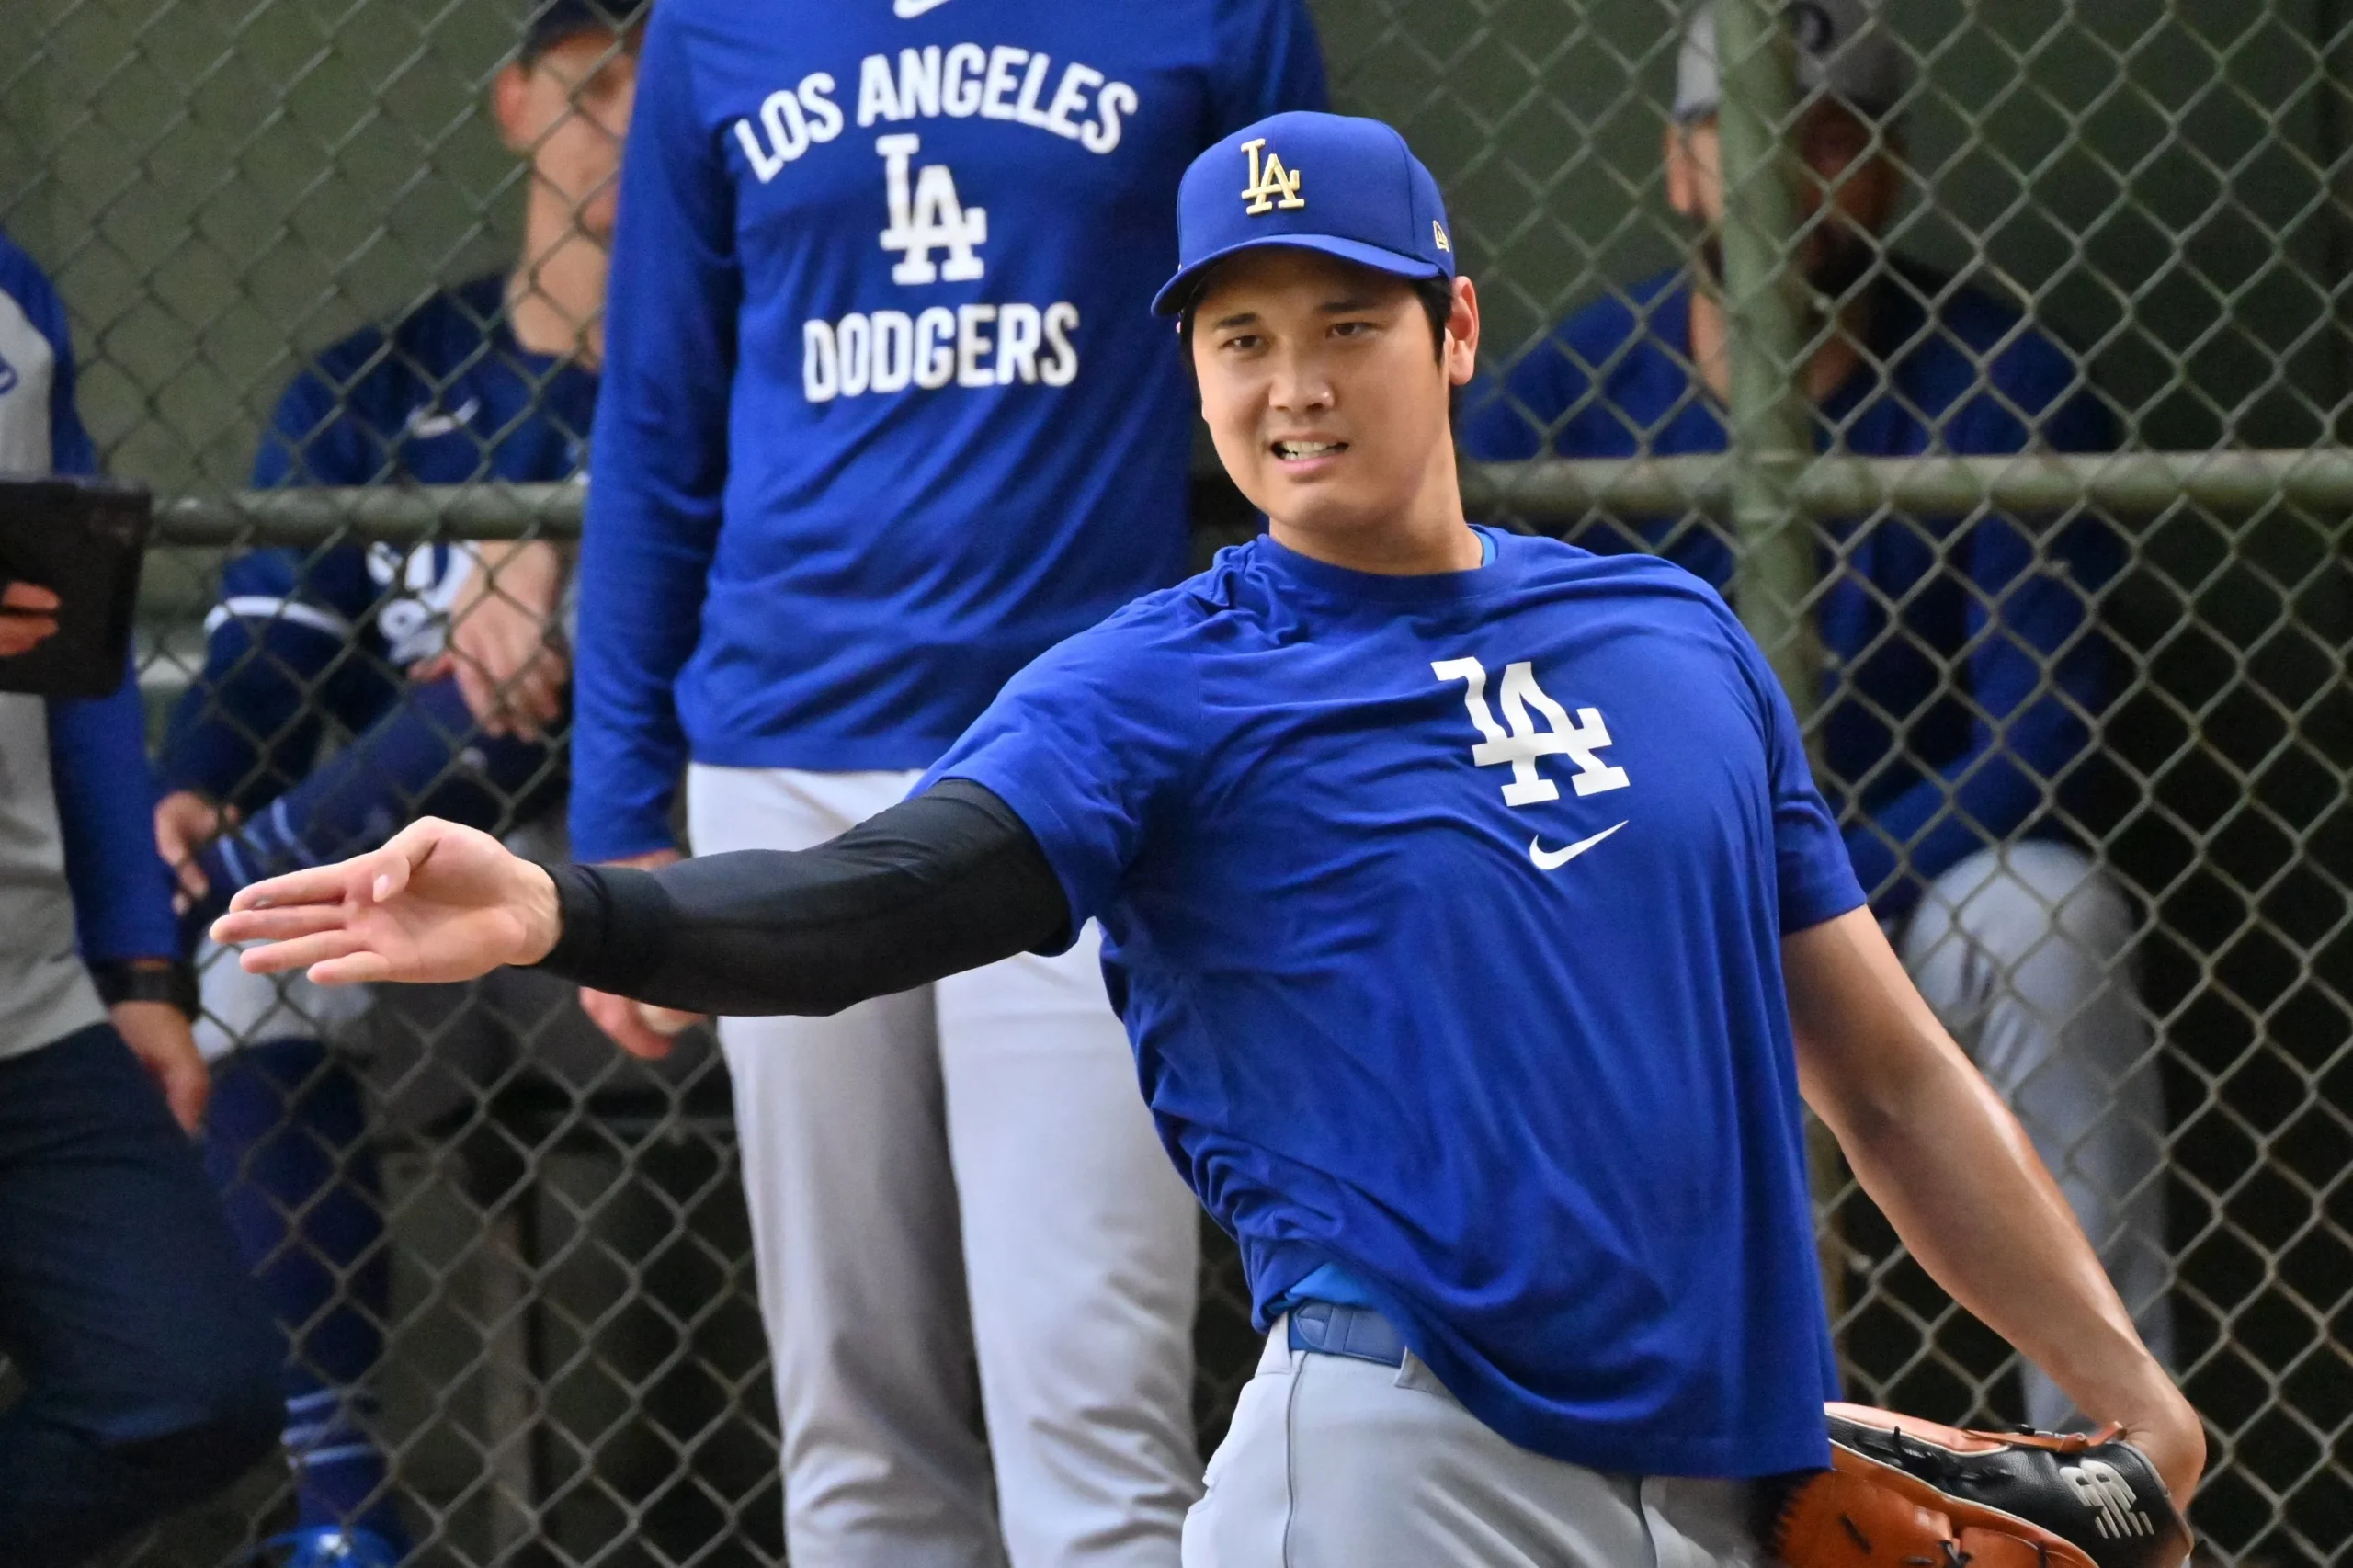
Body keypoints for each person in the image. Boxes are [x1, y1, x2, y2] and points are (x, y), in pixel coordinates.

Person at [217, 109, 2204, 1568]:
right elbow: (875, 901)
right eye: (1237, 337)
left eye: (1340, 320)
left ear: (1450, 327)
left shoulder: (1666, 638)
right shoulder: (1151, 682)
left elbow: (1880, 1068)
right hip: (1393, 1469)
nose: (1288, 382)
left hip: (1740, 1476)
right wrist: (564, 903)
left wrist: (2119, 1381)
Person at [571, 4, 1325, 1562]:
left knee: (1095, 1409)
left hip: (1085, 752)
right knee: (853, 1415)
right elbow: (657, 414)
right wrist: (621, 812)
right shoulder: (719, 28)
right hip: (779, 757)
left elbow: (1305, 369)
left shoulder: (1212, 14)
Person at [1457, 0, 2167, 1429]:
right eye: (1755, 138)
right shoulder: (1566, 398)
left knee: (2055, 919)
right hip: (1650, 909)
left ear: (1892, 165)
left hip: (1911, 893)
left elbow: (2042, 740)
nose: (1794, 174)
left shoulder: (2001, 378)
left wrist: (1798, 901)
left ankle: (2108, 1456)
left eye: (1834, 137)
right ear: (1680, 165)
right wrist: (1666, 889)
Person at [152, 5, 638, 1561]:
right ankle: (344, 1514)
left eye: (663, 80)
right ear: (512, 103)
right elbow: (264, 655)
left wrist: (543, 607)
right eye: (592, 79)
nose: (623, 117)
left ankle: (273, 859)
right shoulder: (389, 380)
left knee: (513, 672)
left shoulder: (754, 377)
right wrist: (195, 782)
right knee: (251, 962)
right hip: (387, 885)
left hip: (641, 871)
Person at [0, 228, 283, 1568]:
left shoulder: (16, 290)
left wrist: (139, 965)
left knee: (187, 1381)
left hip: (28, 991)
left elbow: (79, 651)